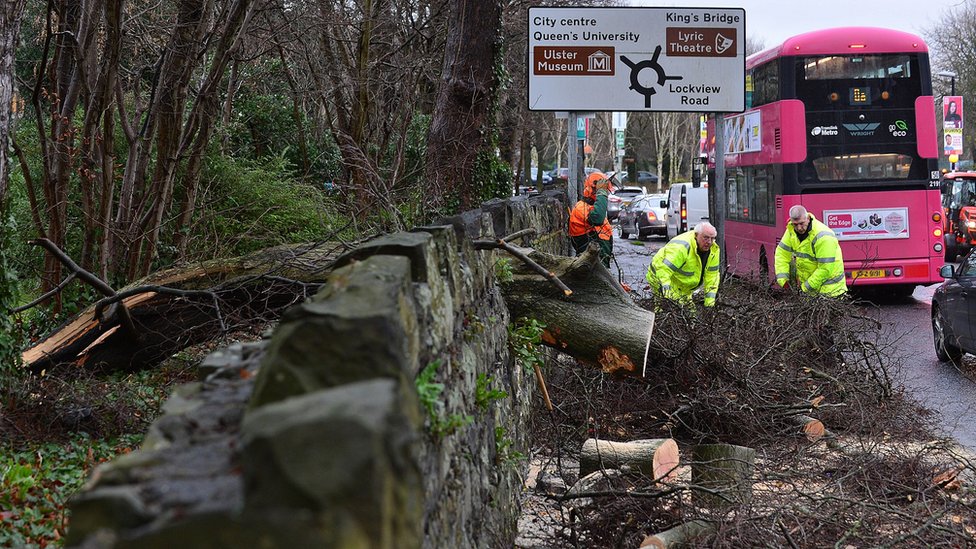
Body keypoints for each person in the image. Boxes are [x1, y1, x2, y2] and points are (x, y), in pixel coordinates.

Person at [774, 205, 848, 296]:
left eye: (801, 223)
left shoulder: (823, 236)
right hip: (810, 293)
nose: (799, 228)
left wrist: (804, 288)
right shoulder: (791, 231)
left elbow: (825, 269)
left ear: (808, 218)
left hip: (831, 293)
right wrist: (783, 281)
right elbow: (781, 254)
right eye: (795, 224)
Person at [645, 221, 721, 307]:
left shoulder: (714, 250)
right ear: (696, 235)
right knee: (666, 310)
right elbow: (663, 270)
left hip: (682, 286)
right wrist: (667, 296)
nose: (709, 242)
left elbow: (712, 277)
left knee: (690, 314)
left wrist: (709, 304)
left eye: (712, 238)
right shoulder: (682, 247)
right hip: (660, 277)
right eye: (706, 238)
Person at [569, 171, 614, 267]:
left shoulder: (592, 207)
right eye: (605, 191)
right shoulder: (581, 208)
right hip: (589, 265)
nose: (606, 194)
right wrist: (601, 193)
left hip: (598, 264)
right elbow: (597, 218)